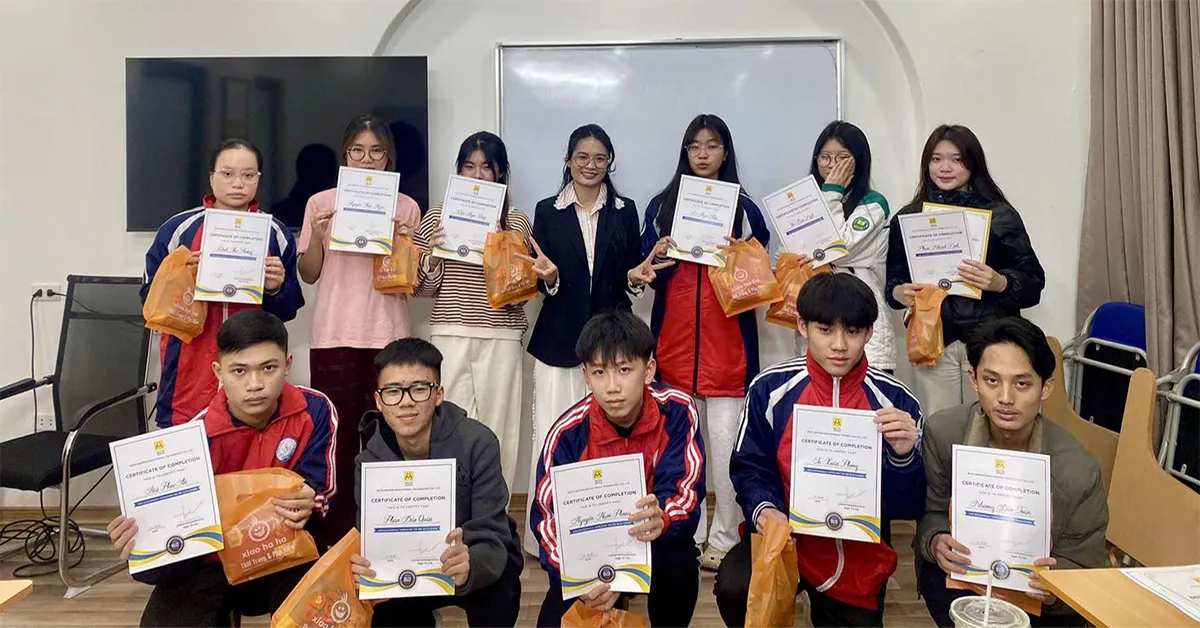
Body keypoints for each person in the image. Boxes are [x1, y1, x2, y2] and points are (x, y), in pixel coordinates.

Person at [717, 273, 924, 627]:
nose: (839, 345)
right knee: (735, 588)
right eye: (825, 330)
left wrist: (903, 458)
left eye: (853, 332)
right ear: (803, 326)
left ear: (870, 333)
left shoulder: (897, 402)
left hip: (858, 553)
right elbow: (750, 466)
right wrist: (765, 509)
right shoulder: (770, 389)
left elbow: (908, 506)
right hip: (786, 538)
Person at [106, 310, 337, 627]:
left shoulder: (316, 409)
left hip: (287, 552)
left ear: (287, 364)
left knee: (322, 612)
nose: (255, 384)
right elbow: (168, 540)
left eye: (268, 368)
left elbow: (322, 489)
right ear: (218, 371)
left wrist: (310, 501)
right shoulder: (192, 437)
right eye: (239, 371)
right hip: (211, 561)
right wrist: (140, 539)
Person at [521, 124, 664, 555]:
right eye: (582, 157)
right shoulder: (547, 211)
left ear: (609, 163)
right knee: (554, 437)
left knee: (611, 439)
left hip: (611, 347)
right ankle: (548, 537)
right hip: (557, 342)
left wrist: (635, 278)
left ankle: (609, 535)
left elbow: (628, 276)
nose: (590, 165)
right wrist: (549, 278)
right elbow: (544, 279)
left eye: (600, 158)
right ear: (568, 161)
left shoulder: (625, 210)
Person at [915, 317, 1108, 628]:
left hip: (1041, 606)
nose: (1005, 397)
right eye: (992, 380)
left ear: (1046, 387)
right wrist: (935, 540)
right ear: (973, 379)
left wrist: (1056, 587)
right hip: (963, 585)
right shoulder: (944, 432)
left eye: (1022, 384)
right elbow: (932, 510)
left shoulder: (1077, 469)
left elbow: (1086, 562)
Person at [640, 113, 771, 570]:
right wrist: (659, 254)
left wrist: (739, 252)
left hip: (729, 351)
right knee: (681, 453)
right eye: (694, 146)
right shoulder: (661, 205)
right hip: (673, 348)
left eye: (712, 145)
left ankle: (726, 538)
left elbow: (759, 273)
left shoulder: (745, 208)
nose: (702, 154)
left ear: (725, 152)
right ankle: (686, 535)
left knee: (728, 454)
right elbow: (648, 270)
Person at [531, 311, 706, 628]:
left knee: (680, 557)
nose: (612, 387)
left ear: (648, 370)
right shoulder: (567, 433)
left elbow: (685, 489)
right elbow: (546, 519)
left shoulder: (678, 410)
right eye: (599, 372)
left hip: (653, 542)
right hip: (590, 556)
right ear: (586, 375)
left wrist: (663, 517)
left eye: (624, 370)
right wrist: (579, 580)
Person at [297, 114, 421, 545]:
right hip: (334, 333)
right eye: (358, 151)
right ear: (345, 154)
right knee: (337, 438)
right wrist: (317, 236)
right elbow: (309, 274)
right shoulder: (321, 203)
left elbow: (411, 281)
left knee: (390, 435)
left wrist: (406, 243)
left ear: (389, 158)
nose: (367, 160)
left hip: (388, 333)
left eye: (376, 152)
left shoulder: (406, 207)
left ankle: (387, 529)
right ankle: (337, 534)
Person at [349, 338, 524, 628]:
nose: (406, 401)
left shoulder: (478, 442)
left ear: (438, 394)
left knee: (501, 592)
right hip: (405, 571)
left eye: (419, 389)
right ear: (379, 401)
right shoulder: (368, 461)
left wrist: (471, 564)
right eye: (393, 391)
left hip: (468, 559)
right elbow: (369, 540)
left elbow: (491, 531)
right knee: (383, 612)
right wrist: (366, 566)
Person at [142, 138, 304, 429]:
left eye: (248, 175)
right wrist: (182, 281)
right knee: (190, 444)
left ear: (258, 179)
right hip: (189, 366)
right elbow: (148, 298)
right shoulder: (177, 230)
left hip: (253, 369)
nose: (238, 183)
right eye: (227, 174)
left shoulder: (275, 233)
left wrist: (275, 288)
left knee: (250, 444)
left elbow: (288, 308)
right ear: (211, 177)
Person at [885, 124, 1045, 416]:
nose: (945, 168)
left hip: (990, 342)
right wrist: (900, 292)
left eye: (956, 160)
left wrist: (1000, 282)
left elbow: (1034, 283)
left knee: (991, 424)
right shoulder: (908, 218)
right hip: (934, 342)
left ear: (973, 163)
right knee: (938, 424)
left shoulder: (1001, 215)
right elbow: (893, 282)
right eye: (936, 159)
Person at [412, 131, 530, 492]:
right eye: (469, 166)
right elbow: (420, 289)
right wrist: (433, 254)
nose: (477, 175)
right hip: (450, 331)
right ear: (459, 171)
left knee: (500, 430)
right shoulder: (437, 216)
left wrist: (503, 250)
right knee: (449, 428)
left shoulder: (516, 221)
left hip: (501, 334)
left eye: (486, 168)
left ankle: (496, 516)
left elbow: (520, 296)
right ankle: (454, 512)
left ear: (500, 173)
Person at [793, 121, 896, 373]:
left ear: (859, 160)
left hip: (861, 322)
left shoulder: (874, 203)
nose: (832, 165)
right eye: (825, 157)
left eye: (842, 158)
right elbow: (791, 252)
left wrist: (832, 192)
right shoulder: (803, 203)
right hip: (818, 315)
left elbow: (839, 247)